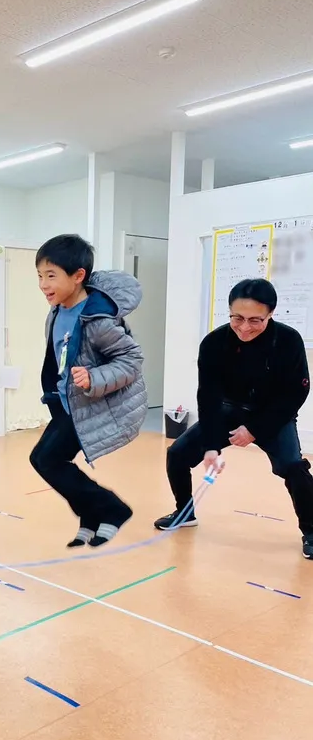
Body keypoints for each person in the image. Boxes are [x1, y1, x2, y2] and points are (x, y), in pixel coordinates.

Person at [154, 278, 313, 559]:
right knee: (177, 454)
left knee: (293, 467)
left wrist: (254, 429)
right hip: (228, 409)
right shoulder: (215, 343)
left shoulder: (288, 341)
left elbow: (294, 395)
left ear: (270, 314)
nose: (245, 327)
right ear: (229, 311)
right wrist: (211, 445)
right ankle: (184, 512)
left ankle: (311, 531)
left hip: (273, 414)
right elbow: (209, 396)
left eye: (255, 320)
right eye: (237, 318)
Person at [30, 234, 148, 548]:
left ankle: (113, 510)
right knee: (47, 461)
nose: (43, 284)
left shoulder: (98, 319)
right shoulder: (56, 311)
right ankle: (92, 517)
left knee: (47, 460)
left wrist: (94, 377)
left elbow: (131, 359)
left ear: (78, 276)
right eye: (40, 276)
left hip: (93, 404)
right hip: (69, 403)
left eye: (51, 276)